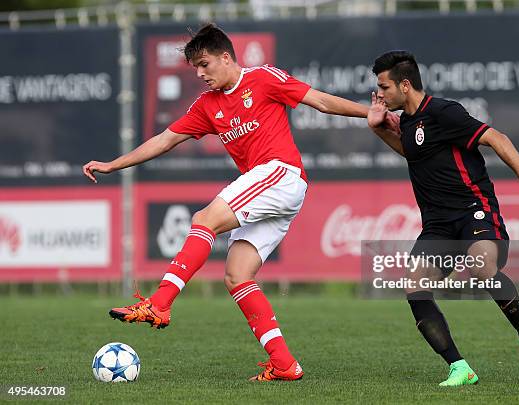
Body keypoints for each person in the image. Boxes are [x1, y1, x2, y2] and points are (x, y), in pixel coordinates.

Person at [83, 23, 396, 382]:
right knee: (237, 274)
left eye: (204, 65)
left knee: (204, 218)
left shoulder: (262, 78)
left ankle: (161, 302)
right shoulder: (206, 105)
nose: (200, 74)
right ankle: (283, 364)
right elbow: (164, 141)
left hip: (281, 173)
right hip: (271, 190)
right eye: (195, 69)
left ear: (226, 57)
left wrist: (369, 114)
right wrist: (113, 164)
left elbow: (320, 101)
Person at [367, 51, 519, 386]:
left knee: (480, 264)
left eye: (384, 87)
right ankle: (459, 367)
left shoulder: (444, 112)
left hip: (475, 212)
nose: (379, 93)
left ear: (405, 84)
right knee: (414, 285)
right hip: (438, 226)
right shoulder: (409, 123)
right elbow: (412, 152)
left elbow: (498, 139)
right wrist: (379, 128)